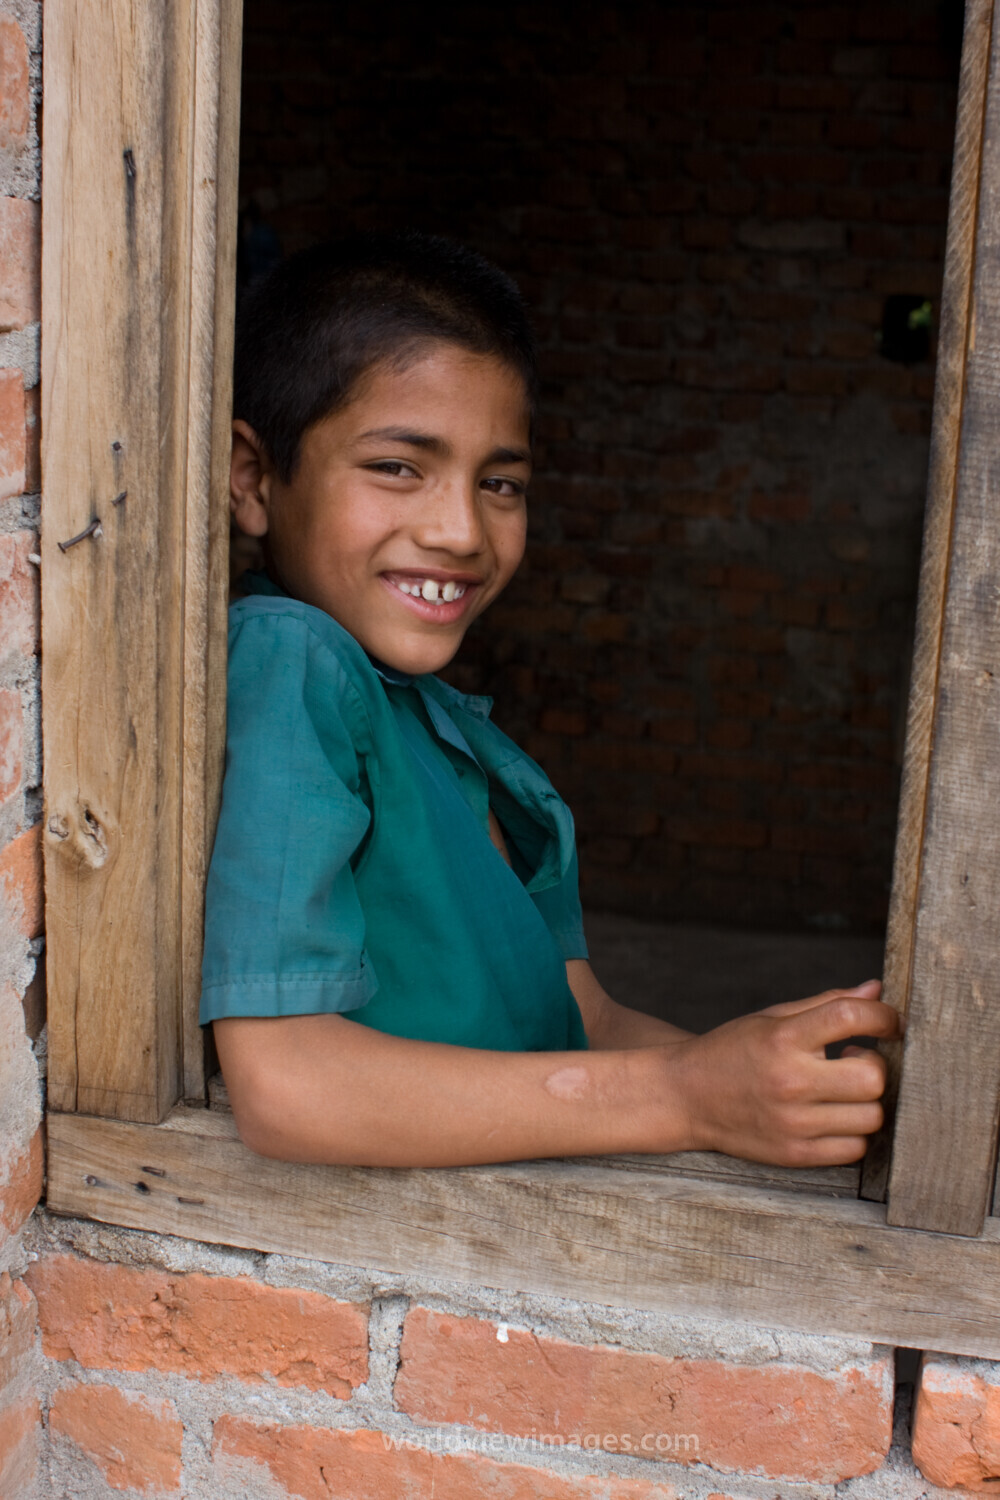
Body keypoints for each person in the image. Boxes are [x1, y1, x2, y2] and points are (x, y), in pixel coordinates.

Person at [201, 231, 899, 1170]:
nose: (460, 530)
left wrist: (772, 1078)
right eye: (397, 467)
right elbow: (288, 1085)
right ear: (253, 478)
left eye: (501, 482)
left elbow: (584, 1019)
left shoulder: (447, 729)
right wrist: (688, 1095)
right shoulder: (292, 660)